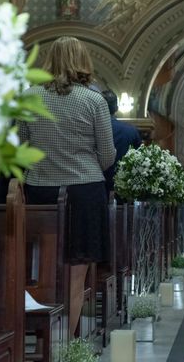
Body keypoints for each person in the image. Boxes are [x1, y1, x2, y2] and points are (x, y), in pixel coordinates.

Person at [18, 36, 116, 338]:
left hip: (40, 190)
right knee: (78, 269)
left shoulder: (29, 97)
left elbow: (19, 146)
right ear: (83, 61)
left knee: (40, 265)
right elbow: (108, 154)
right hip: (85, 190)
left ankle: (37, 332)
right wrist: (84, 168)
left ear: (49, 61)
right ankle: (67, 340)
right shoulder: (94, 100)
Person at [101, 90, 142, 194]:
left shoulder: (93, 130)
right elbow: (140, 158)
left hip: (99, 185)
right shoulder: (131, 131)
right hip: (125, 187)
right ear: (117, 108)